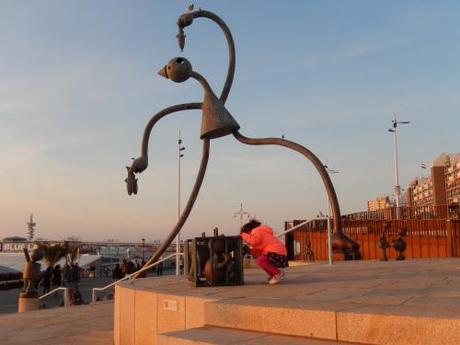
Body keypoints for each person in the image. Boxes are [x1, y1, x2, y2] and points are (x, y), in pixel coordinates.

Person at [240, 219, 288, 285]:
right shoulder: (260, 232)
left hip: (276, 253)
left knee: (260, 261)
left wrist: (243, 235)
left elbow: (254, 241)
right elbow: (258, 250)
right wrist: (249, 250)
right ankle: (274, 275)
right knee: (260, 260)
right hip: (278, 253)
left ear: (248, 231)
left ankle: (277, 273)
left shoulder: (257, 231)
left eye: (247, 235)